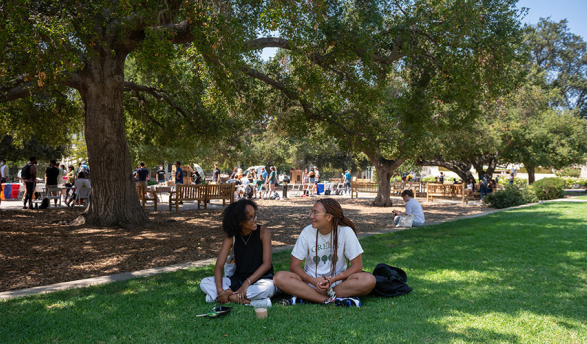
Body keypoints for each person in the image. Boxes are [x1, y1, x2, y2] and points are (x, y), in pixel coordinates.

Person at [274, 198, 376, 307]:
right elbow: (294, 266)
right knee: (279, 277)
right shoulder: (307, 232)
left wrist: (333, 280)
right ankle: (329, 299)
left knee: (369, 280)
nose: (311, 216)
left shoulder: (346, 232)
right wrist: (312, 281)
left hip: (338, 284)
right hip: (310, 283)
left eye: (316, 213)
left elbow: (357, 266)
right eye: (311, 212)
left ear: (329, 217)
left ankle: (309, 298)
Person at [199, 199, 277, 306]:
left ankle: (223, 297)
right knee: (205, 282)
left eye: (255, 215)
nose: (255, 220)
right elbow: (219, 265)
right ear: (239, 221)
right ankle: (249, 301)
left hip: (261, 280)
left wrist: (246, 283)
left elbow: (267, 264)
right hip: (237, 280)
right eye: (250, 217)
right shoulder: (232, 237)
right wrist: (220, 289)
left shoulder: (263, 232)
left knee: (267, 289)